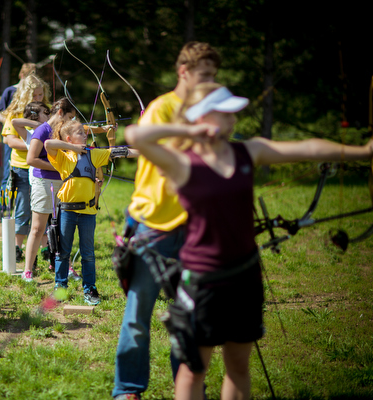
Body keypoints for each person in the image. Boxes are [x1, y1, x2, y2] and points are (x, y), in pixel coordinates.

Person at [125, 82, 373, 400]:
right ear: (204, 116)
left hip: (245, 276)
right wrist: (191, 129)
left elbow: (307, 149)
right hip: (202, 281)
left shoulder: (247, 151)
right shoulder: (182, 162)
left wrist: (364, 152)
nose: (234, 119)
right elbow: (136, 136)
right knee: (193, 370)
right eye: (226, 113)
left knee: (239, 366)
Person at [112, 41, 220, 400]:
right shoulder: (162, 109)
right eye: (204, 75)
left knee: (188, 319)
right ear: (184, 73)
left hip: (192, 230)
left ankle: (188, 387)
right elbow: (158, 154)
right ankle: (128, 389)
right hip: (153, 226)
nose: (209, 82)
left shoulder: (208, 113)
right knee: (137, 316)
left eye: (213, 77)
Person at [45, 120, 138, 305]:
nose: (85, 134)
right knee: (63, 252)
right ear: (70, 138)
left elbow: (120, 152)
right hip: (67, 212)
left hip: (88, 212)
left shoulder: (93, 154)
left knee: (88, 253)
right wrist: (72, 147)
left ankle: (90, 289)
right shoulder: (63, 157)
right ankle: (60, 288)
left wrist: (148, 150)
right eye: (81, 132)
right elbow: (48, 144)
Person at [13, 99, 71, 280]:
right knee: (38, 228)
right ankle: (27, 270)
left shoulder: (62, 131)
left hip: (63, 184)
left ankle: (66, 267)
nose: (70, 122)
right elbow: (31, 159)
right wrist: (59, 167)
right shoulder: (43, 130)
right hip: (44, 182)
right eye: (69, 117)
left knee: (64, 229)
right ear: (60, 112)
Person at [1, 73, 51, 261]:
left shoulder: (47, 112)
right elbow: (10, 140)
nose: (38, 99)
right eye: (34, 96)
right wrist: (34, 146)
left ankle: (46, 248)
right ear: (24, 96)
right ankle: (17, 247)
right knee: (23, 208)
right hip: (21, 167)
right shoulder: (15, 112)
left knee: (44, 209)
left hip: (43, 168)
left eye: (40, 95)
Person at [0, 63, 36, 197]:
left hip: (28, 138)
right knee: (9, 173)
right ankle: (3, 207)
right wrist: (11, 125)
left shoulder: (36, 92)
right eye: (31, 75)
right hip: (13, 135)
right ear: (22, 75)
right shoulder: (10, 91)